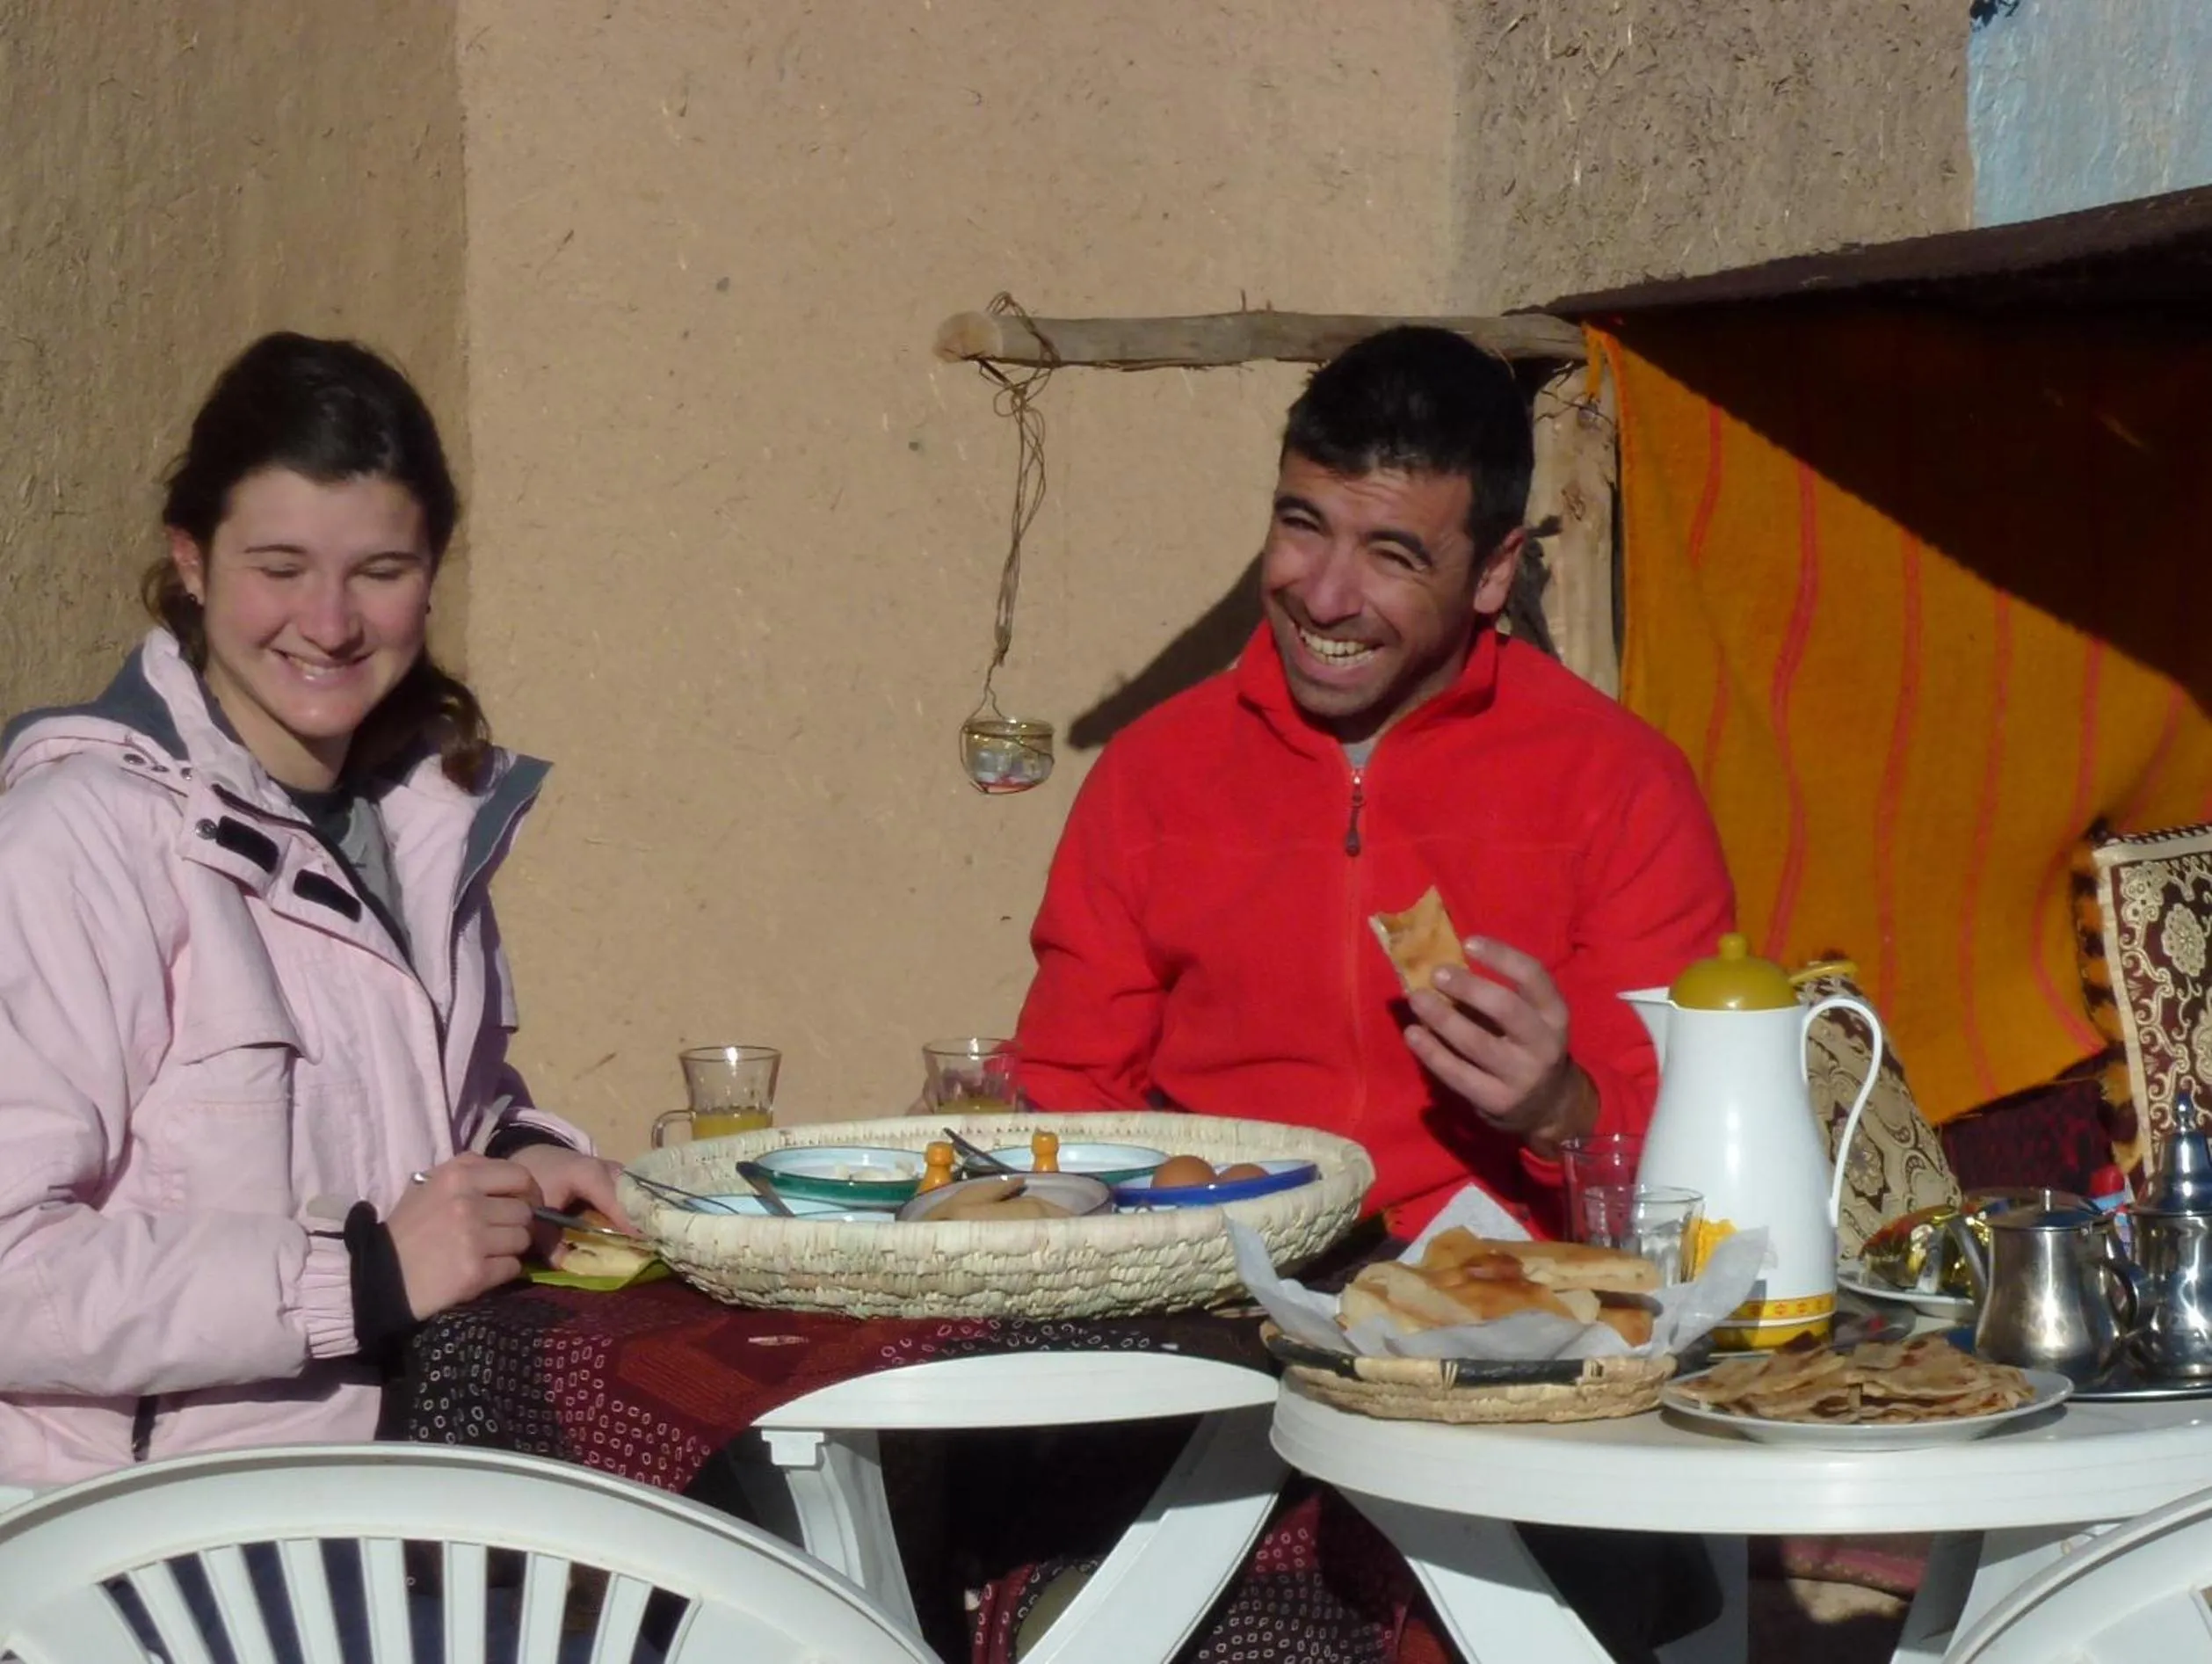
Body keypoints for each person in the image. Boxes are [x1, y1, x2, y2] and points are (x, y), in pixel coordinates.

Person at [0, 331, 628, 1491]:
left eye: (379, 571)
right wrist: (362, 1278)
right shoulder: (77, 836)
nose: (330, 624)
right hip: (131, 1559)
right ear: (190, 561)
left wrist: (522, 1160)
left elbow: (411, 1119)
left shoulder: (423, 819)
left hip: (389, 1505)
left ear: (433, 569)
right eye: (279, 567)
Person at [1015, 324, 1734, 1238]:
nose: (1323, 598)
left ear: (1493, 572)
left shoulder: (1623, 787)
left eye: (1392, 556)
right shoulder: (1150, 773)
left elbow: (1691, 1166)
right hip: (1204, 1281)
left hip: (1507, 1312)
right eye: (1302, 526)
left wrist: (1558, 1111)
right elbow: (1067, 1100)